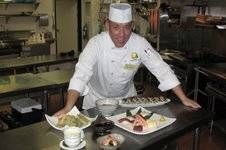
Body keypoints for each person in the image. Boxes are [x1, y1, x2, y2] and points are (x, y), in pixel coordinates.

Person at [54, 3, 200, 116]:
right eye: (116, 28)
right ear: (107, 25)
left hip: (126, 101)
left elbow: (161, 68)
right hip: (96, 101)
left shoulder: (140, 43)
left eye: (126, 28)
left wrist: (184, 99)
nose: (122, 35)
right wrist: (68, 107)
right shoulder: (96, 43)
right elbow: (81, 74)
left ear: (133, 26)